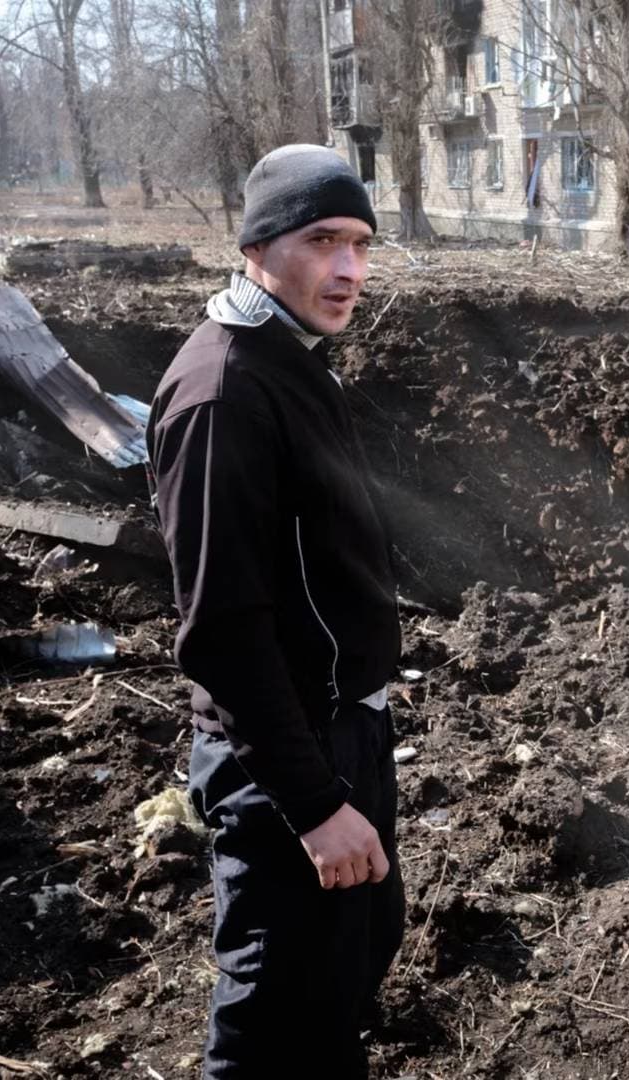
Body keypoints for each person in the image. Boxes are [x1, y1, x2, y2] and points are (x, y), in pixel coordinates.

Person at [147, 143, 405, 1078]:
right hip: (285, 761)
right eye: (324, 240)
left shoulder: (295, 359)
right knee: (271, 1023)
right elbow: (221, 629)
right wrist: (313, 805)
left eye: (363, 246)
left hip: (344, 730)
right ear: (259, 243)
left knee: (346, 973)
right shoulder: (222, 392)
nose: (349, 272)